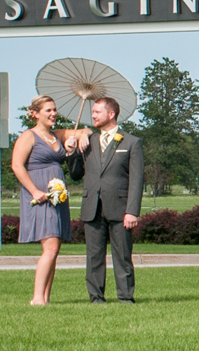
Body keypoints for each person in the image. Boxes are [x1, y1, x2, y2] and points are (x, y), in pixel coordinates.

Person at [70, 97, 144, 304]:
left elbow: (137, 180)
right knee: (93, 257)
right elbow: (76, 174)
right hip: (92, 207)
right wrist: (71, 152)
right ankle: (96, 297)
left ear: (111, 114)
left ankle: (126, 297)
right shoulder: (88, 141)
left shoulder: (131, 142)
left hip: (120, 209)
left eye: (96, 112)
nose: (92, 115)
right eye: (92, 112)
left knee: (122, 255)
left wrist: (132, 211)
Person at [11, 95, 81, 306]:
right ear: (36, 113)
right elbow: (17, 166)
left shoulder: (55, 136)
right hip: (40, 197)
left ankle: (46, 297)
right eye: (48, 110)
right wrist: (34, 191)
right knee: (50, 248)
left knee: (55, 249)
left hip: (57, 197)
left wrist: (69, 148)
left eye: (54, 110)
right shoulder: (28, 136)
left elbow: (82, 133)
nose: (53, 114)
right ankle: (37, 298)